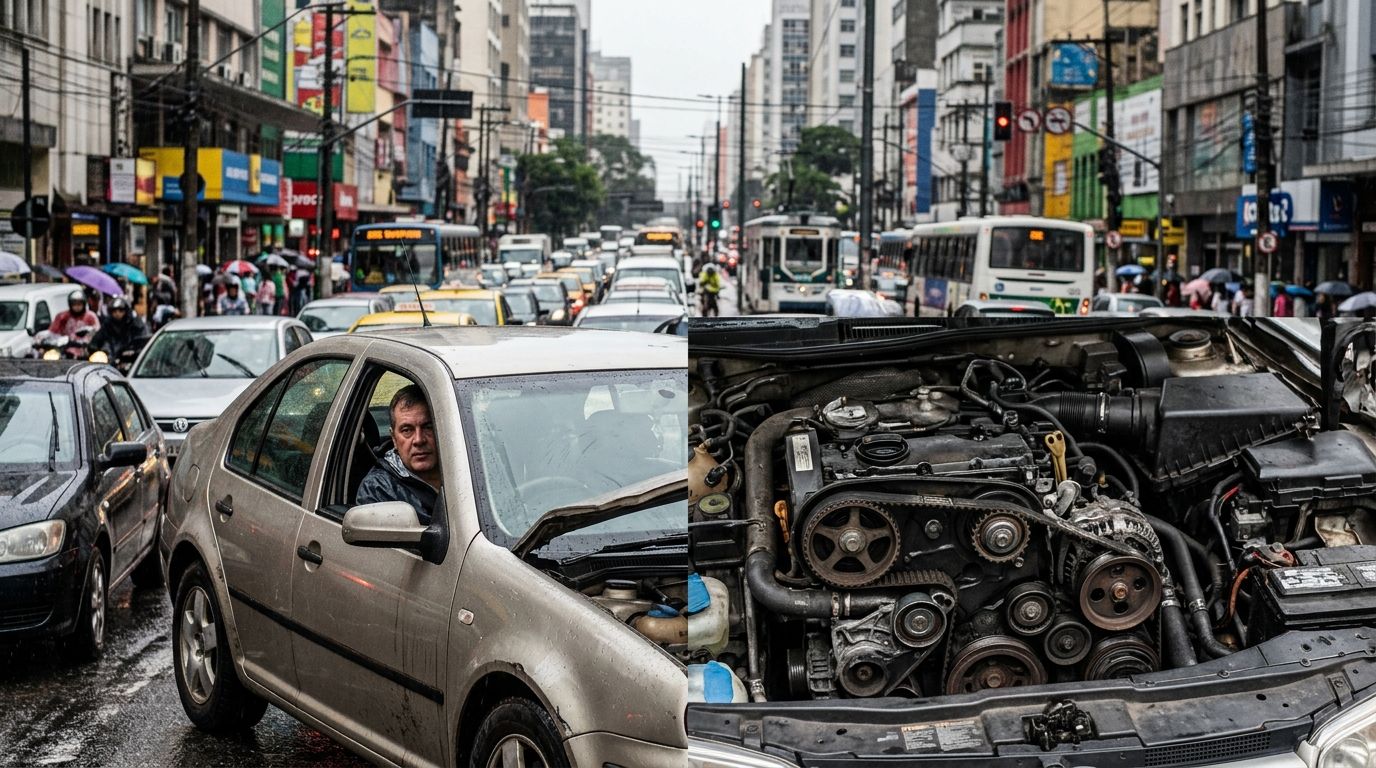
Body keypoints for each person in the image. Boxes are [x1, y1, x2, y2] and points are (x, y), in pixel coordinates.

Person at [356, 385, 441, 523]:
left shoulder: (475, 469)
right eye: (407, 430)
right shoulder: (379, 490)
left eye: (428, 427)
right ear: (394, 438)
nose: (419, 440)